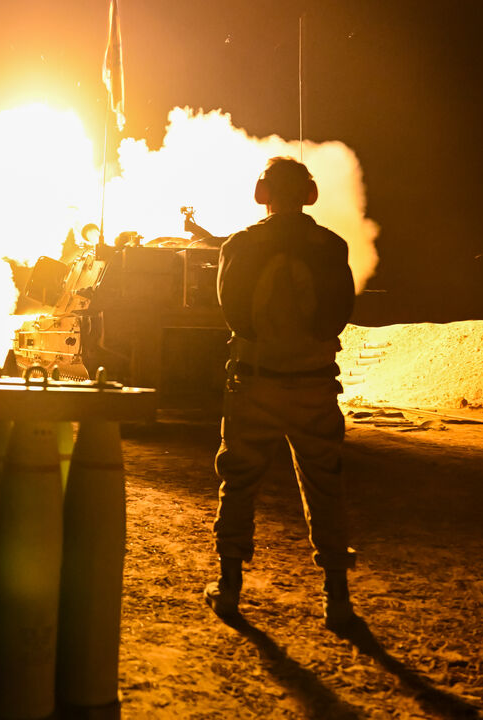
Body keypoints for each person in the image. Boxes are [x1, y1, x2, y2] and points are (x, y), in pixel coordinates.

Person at [204, 156, 359, 634]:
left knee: (238, 484)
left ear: (262, 193)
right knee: (325, 486)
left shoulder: (240, 245)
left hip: (255, 383)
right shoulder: (332, 246)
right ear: (310, 194)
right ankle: (337, 599)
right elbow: (339, 313)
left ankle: (229, 588)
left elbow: (232, 312)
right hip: (314, 385)